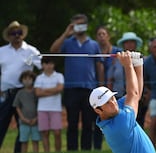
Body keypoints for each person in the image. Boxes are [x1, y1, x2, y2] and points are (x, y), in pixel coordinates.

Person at [50, 13, 105, 151]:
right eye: (75, 24)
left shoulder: (93, 44)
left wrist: (101, 87)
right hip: (71, 89)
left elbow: (99, 66)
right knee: (72, 123)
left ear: (86, 25)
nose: (78, 27)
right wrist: (66, 33)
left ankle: (86, 149)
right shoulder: (67, 43)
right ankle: (72, 149)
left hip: (89, 89)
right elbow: (53, 50)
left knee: (88, 123)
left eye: (80, 23)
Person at [89, 51, 156, 153]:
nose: (113, 102)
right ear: (98, 110)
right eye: (107, 102)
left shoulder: (113, 112)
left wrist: (138, 63)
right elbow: (133, 93)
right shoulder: (120, 124)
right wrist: (128, 65)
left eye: (112, 97)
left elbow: (136, 95)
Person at [0, 21, 42, 153]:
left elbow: (43, 67)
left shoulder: (31, 50)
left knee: (22, 126)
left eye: (19, 33)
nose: (17, 35)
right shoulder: (2, 51)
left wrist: (37, 86)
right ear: (9, 35)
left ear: (23, 34)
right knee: (1, 124)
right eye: (13, 33)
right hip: (5, 93)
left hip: (25, 93)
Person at [107, 32, 149, 127]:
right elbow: (110, 79)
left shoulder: (141, 59)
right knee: (120, 124)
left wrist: (147, 94)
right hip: (118, 96)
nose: (129, 44)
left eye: (132, 42)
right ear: (123, 44)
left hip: (138, 96)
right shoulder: (116, 60)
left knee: (138, 123)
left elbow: (147, 78)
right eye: (127, 42)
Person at [94, 25, 121, 149]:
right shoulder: (94, 51)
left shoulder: (117, 51)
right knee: (99, 117)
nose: (101, 37)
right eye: (99, 34)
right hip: (98, 91)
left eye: (103, 34)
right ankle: (97, 146)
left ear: (108, 36)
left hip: (115, 90)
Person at [34, 56, 64, 152]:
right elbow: (38, 93)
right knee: (45, 132)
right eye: (46, 64)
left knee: (57, 132)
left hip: (56, 108)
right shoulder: (39, 78)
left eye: (51, 63)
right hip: (42, 108)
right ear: (42, 65)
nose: (49, 66)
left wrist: (45, 90)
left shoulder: (59, 76)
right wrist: (53, 90)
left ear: (54, 65)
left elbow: (59, 89)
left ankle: (58, 151)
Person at [12, 71, 40, 153]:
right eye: (25, 79)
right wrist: (22, 118)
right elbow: (17, 107)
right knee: (24, 141)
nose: (27, 81)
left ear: (33, 80)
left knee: (35, 141)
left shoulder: (36, 92)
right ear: (21, 80)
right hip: (24, 122)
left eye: (29, 78)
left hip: (35, 121)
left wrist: (36, 118)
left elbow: (39, 106)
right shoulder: (20, 93)